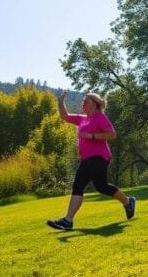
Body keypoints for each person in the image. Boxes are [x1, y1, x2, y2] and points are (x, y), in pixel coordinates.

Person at [46, 92, 136, 231]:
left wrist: (91, 136)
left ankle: (127, 201)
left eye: (86, 101)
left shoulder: (99, 117)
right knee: (90, 186)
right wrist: (60, 102)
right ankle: (68, 221)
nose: (83, 103)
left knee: (95, 186)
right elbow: (65, 116)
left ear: (94, 104)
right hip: (86, 158)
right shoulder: (83, 119)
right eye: (83, 101)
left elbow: (112, 134)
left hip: (99, 157)